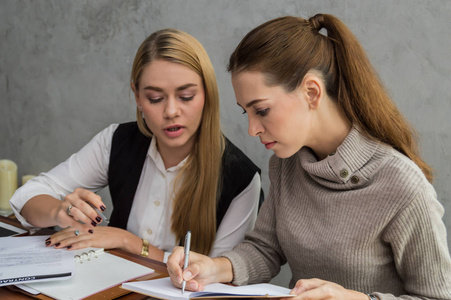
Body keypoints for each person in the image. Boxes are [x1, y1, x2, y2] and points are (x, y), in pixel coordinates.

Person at [167, 14, 451, 299]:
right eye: (247, 112)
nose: (252, 129)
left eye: (262, 110)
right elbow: (265, 248)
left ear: (312, 92)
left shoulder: (402, 186)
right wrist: (214, 267)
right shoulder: (285, 164)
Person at [10, 28, 262, 263]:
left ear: (207, 94)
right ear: (138, 97)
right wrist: (59, 211)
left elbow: (217, 280)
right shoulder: (116, 141)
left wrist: (127, 241)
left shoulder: (241, 178)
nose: (171, 111)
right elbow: (26, 196)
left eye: (186, 97)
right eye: (155, 98)